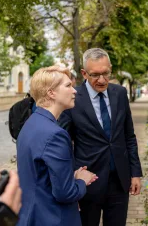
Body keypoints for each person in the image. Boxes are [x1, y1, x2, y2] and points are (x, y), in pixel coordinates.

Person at [59, 48, 143, 226]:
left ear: (110, 68)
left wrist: (135, 173)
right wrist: (74, 176)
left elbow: (129, 135)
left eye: (106, 73)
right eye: (95, 75)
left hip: (120, 181)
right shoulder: (72, 98)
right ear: (84, 73)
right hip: (88, 182)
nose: (102, 80)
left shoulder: (120, 93)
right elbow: (64, 143)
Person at [17, 66, 97, 226]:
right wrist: (81, 180)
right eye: (68, 86)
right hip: (53, 218)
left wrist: (68, 176)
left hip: (32, 216)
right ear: (51, 93)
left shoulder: (31, 123)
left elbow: (39, 176)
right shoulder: (55, 134)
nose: (74, 91)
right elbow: (65, 193)